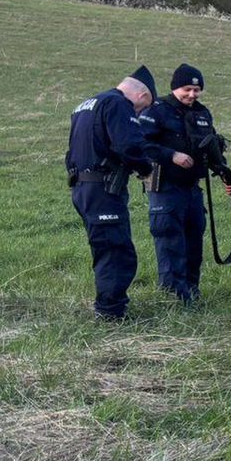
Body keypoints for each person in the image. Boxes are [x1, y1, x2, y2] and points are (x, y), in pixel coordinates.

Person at [66, 66, 159, 321]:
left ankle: (107, 305)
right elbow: (128, 145)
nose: (139, 112)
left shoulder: (86, 104)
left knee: (103, 246)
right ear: (141, 95)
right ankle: (110, 312)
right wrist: (145, 168)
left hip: (82, 186)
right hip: (104, 189)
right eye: (143, 107)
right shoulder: (118, 104)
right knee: (116, 251)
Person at [137, 63, 231, 305]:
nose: (192, 95)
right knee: (170, 241)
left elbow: (211, 147)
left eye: (197, 90)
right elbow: (139, 143)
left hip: (192, 189)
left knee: (193, 241)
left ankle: (191, 291)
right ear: (175, 88)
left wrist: (223, 171)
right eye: (187, 89)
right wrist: (171, 155)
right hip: (166, 188)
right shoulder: (156, 110)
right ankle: (172, 297)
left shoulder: (202, 113)